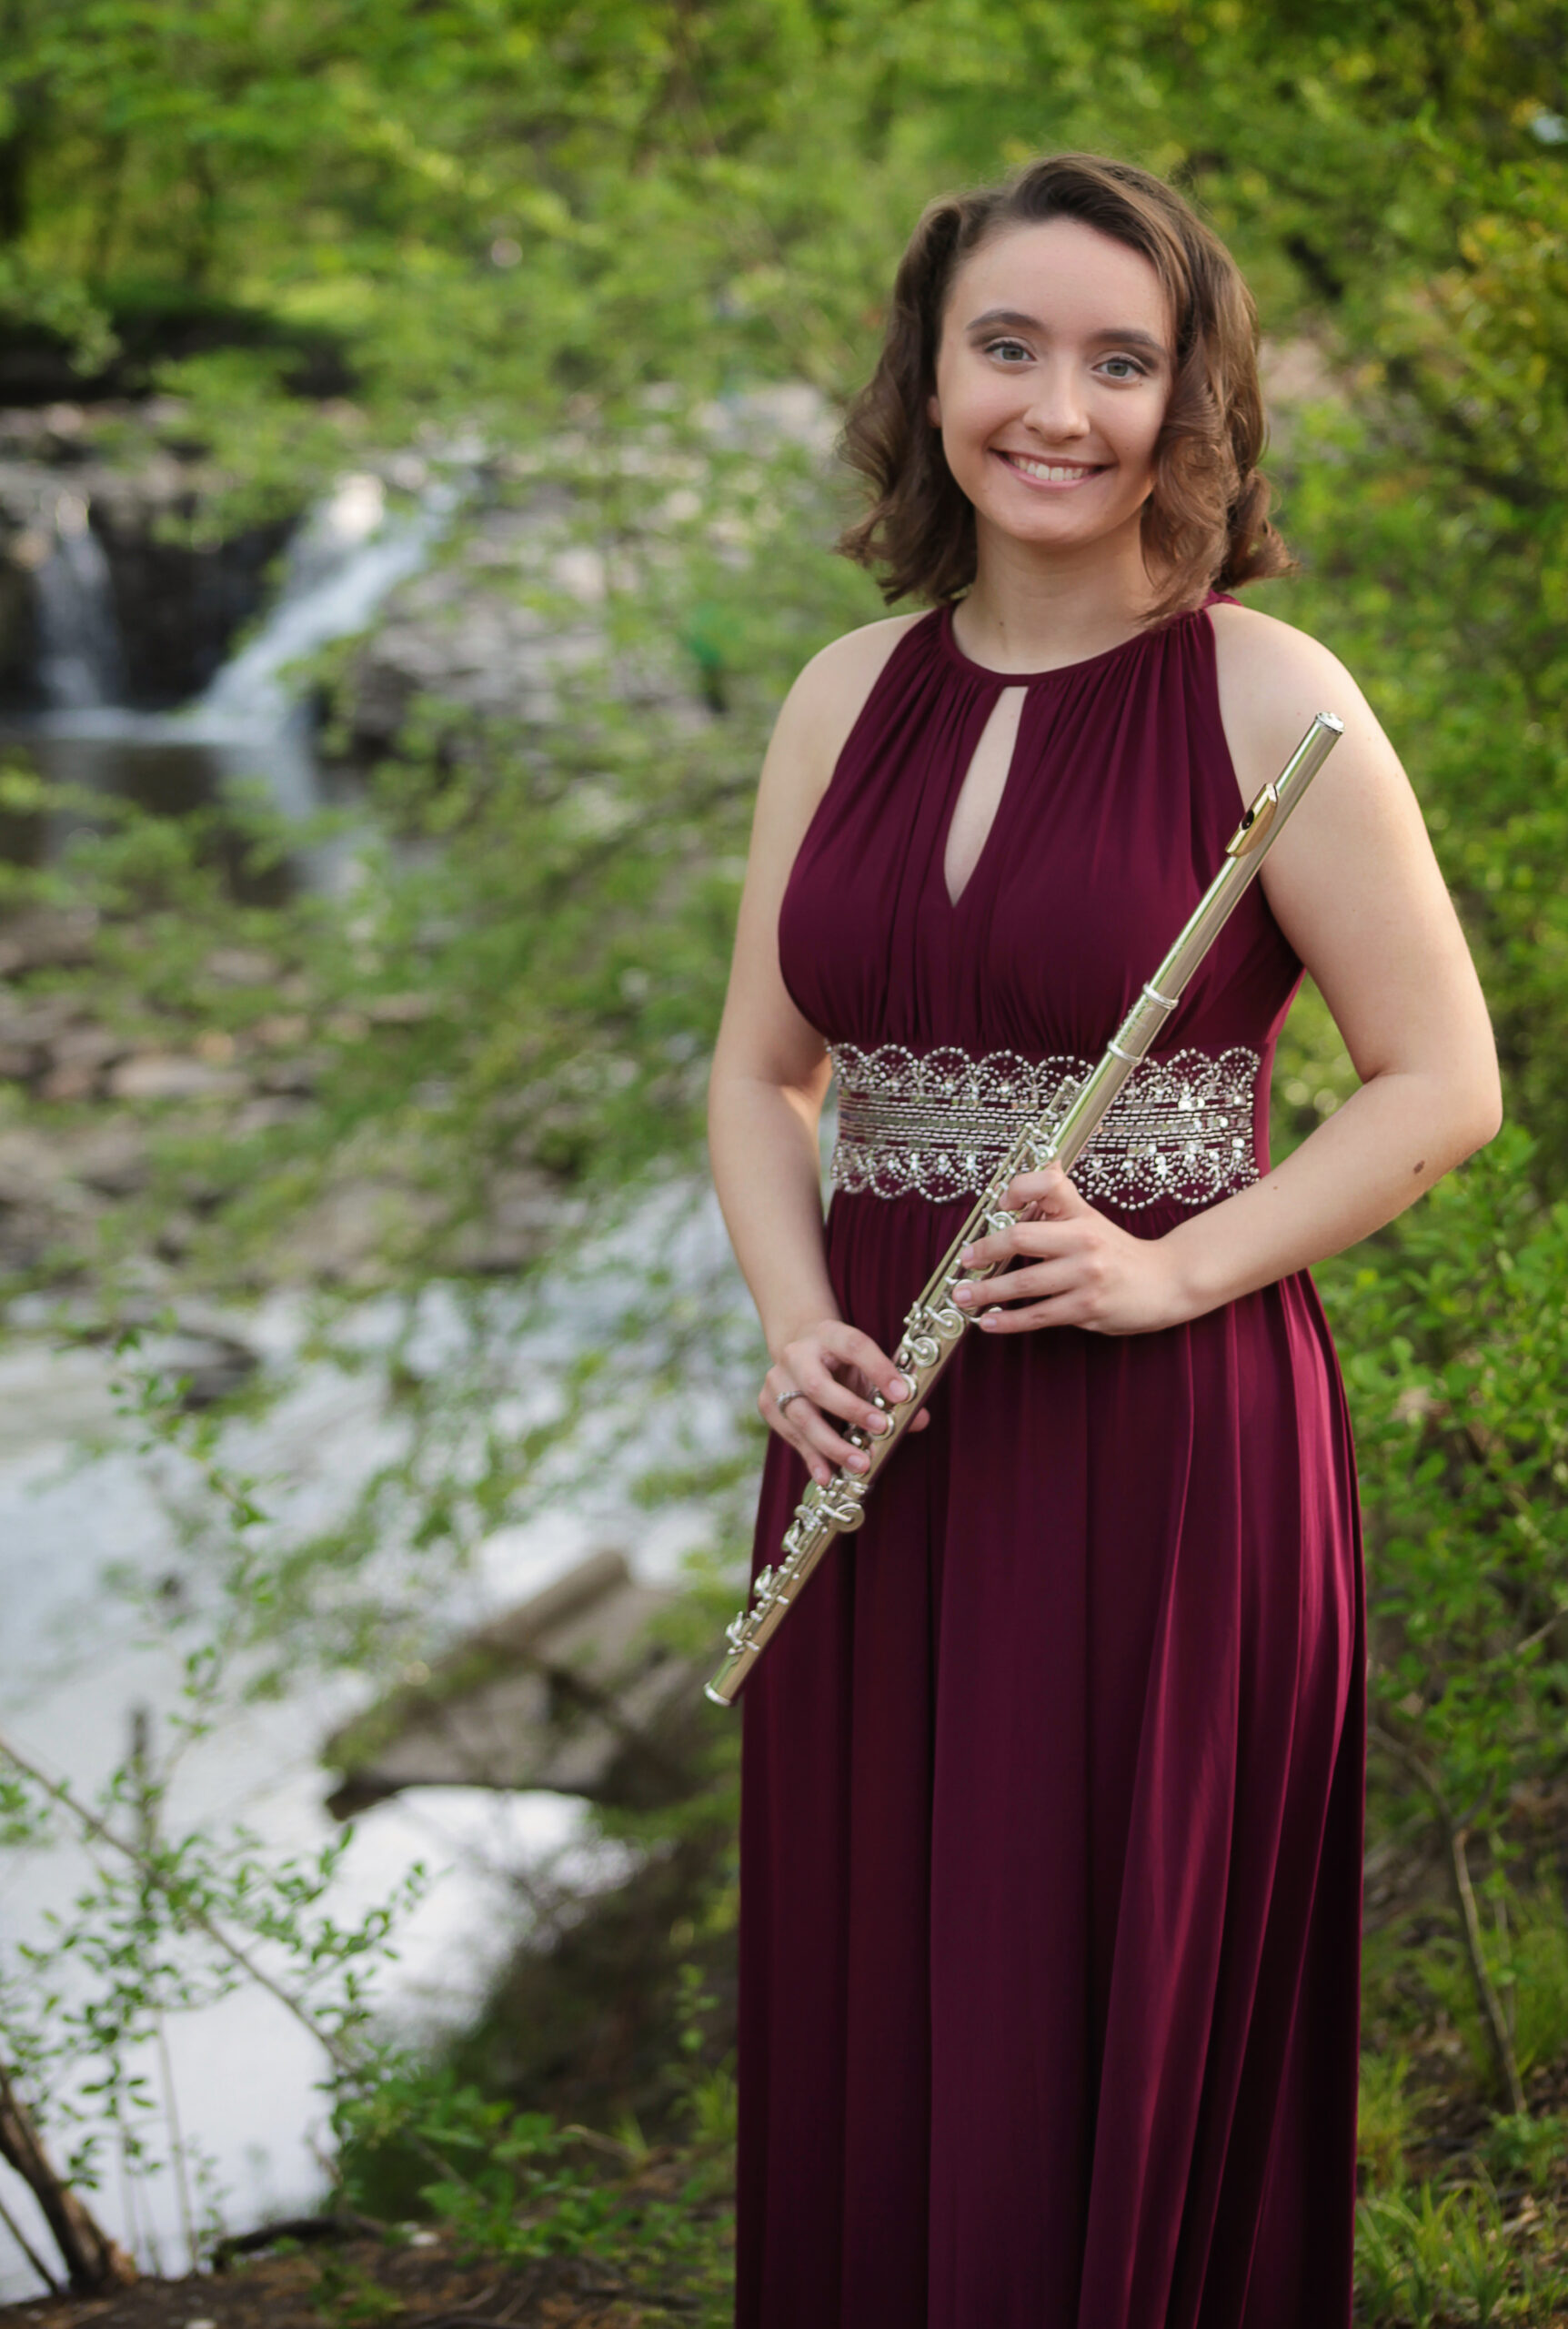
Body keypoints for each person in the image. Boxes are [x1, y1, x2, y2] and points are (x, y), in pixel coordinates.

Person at [706, 154, 1501, 2329]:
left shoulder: (1267, 691)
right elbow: (757, 1077)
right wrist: (793, 1316)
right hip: (873, 1424)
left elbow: (1442, 1082)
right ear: (928, 375)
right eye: (1007, 347)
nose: (1056, 406)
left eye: (1117, 359)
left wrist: (1170, 1267)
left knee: (1092, 1992)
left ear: (1190, 398)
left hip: (1164, 1441)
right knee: (888, 1986)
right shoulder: (842, 690)